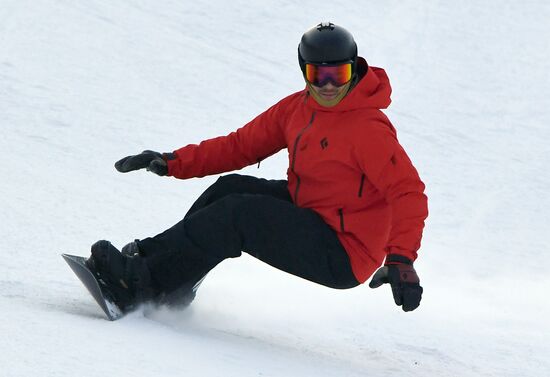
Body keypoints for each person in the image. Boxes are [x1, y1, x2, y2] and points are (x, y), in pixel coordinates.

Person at [88, 22, 428, 313]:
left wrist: (401, 259)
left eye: (338, 74)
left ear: (354, 69)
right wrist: (173, 161)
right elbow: (241, 146)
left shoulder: (368, 129)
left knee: (239, 214)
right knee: (230, 188)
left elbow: (408, 192)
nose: (327, 85)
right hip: (311, 209)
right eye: (317, 74)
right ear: (304, 70)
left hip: (343, 250)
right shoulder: (297, 108)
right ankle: (162, 273)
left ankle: (142, 285)